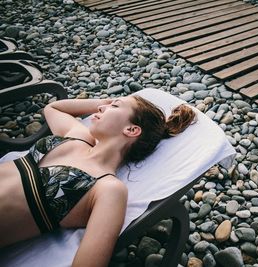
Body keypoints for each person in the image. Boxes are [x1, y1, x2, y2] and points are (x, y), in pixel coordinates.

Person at [0, 94, 197, 266]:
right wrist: (106, 102)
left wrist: (112, 106)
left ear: (131, 130)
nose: (102, 107)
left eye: (114, 106)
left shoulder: (107, 188)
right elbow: (53, 108)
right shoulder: (79, 137)